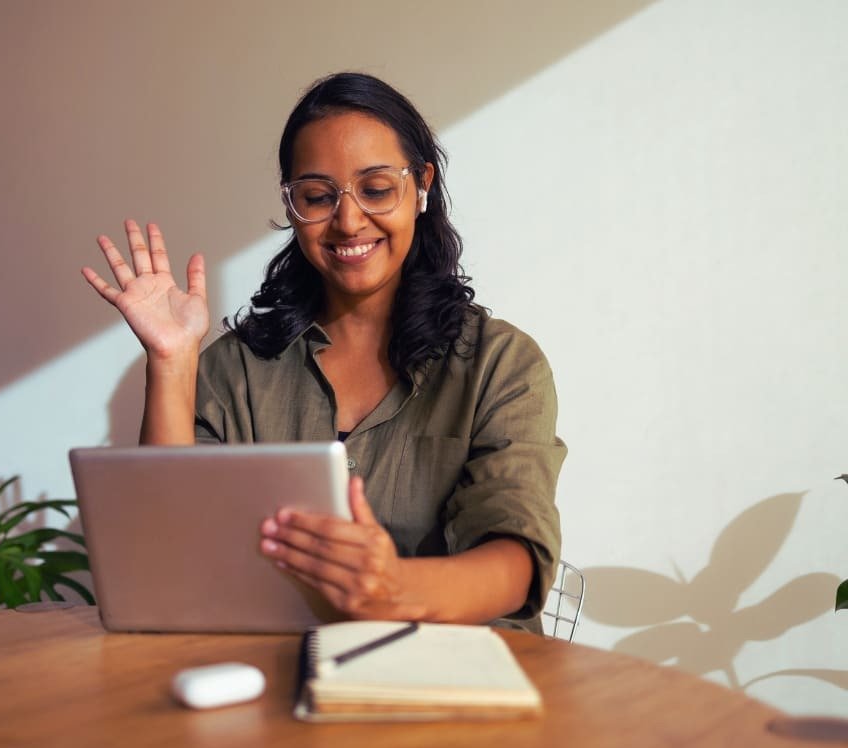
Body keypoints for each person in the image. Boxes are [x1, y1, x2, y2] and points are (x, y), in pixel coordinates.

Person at [82, 72, 566, 632]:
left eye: (377, 189)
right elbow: (168, 555)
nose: (349, 220)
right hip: (276, 672)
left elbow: (517, 562)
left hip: (457, 676)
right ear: (291, 207)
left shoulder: (500, 364)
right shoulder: (237, 368)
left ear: (422, 185)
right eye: (317, 196)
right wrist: (170, 360)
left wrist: (394, 588)